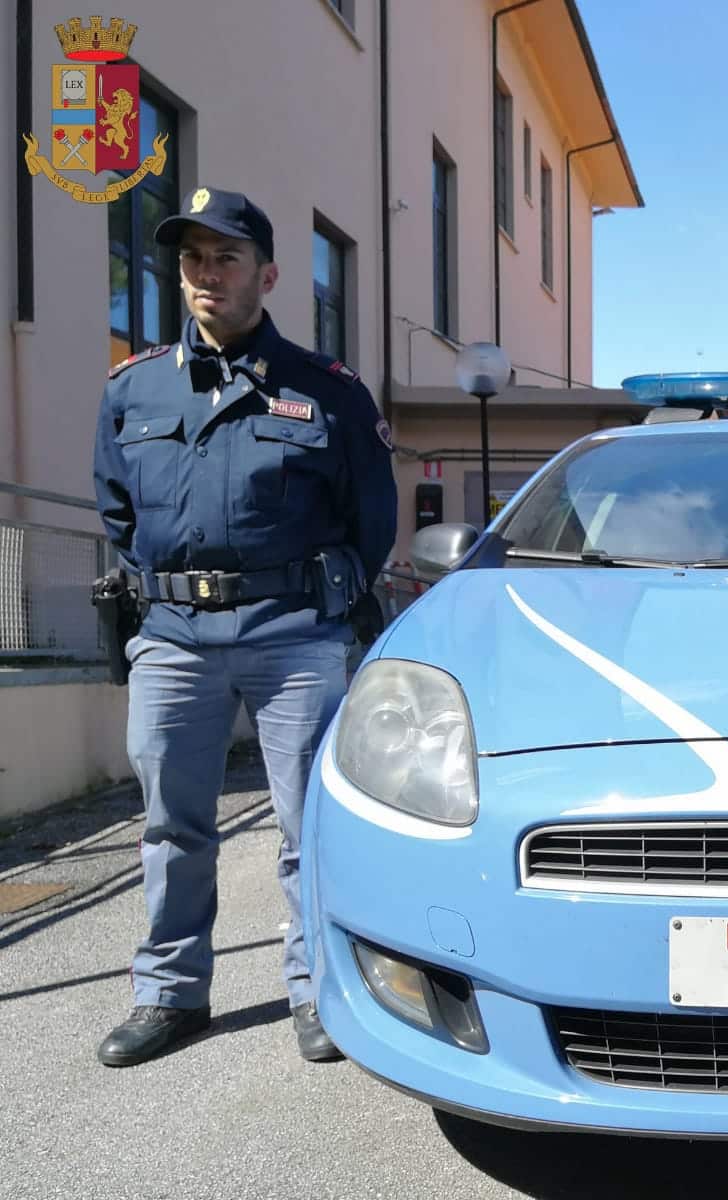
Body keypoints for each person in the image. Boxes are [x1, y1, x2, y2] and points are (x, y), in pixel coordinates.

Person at [92, 187, 398, 1066]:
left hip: (295, 637)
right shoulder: (132, 389)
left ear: (267, 274)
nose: (206, 275)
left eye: (225, 258)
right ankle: (170, 995)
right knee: (170, 827)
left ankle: (315, 990)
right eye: (192, 259)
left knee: (308, 830)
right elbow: (117, 510)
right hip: (174, 641)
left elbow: (368, 521)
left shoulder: (328, 392)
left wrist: (317, 603)